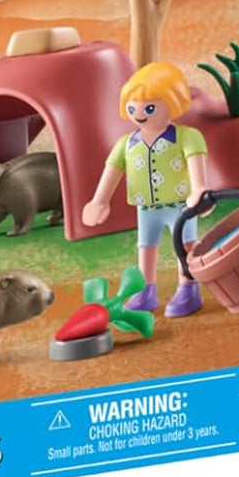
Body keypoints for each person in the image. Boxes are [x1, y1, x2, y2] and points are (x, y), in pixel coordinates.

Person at [82, 61, 208, 318]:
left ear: (173, 103)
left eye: (149, 108)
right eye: (132, 108)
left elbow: (197, 167)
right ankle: (146, 291)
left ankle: (188, 289)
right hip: (146, 209)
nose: (139, 114)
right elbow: (112, 171)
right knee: (146, 247)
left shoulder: (186, 136)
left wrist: (199, 191)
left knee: (185, 246)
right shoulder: (126, 143)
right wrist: (99, 201)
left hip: (180, 207)